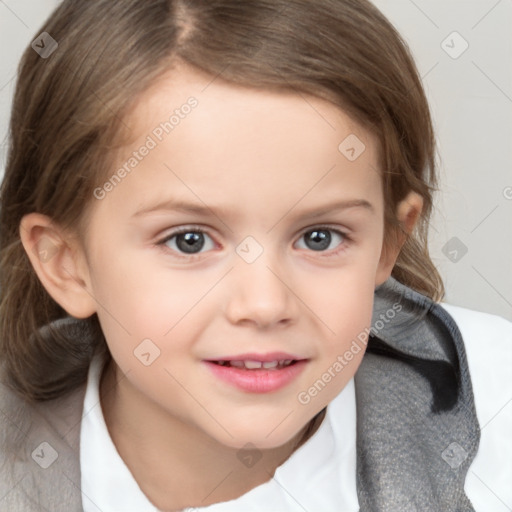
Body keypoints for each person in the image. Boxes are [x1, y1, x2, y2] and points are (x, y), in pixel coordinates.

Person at [0, 1, 510, 511]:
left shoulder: (498, 413)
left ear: (386, 243)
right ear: (66, 263)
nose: (265, 304)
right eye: (189, 241)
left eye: (319, 237)